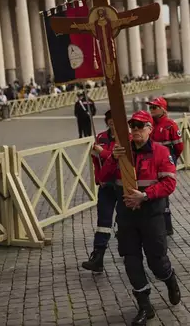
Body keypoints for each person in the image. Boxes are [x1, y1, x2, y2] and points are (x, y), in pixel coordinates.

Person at [99, 110, 181, 325]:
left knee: (157, 262)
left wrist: (145, 196)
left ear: (149, 129)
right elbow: (101, 178)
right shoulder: (120, 151)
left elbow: (169, 184)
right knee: (131, 260)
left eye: (140, 125)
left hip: (151, 215)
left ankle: (169, 279)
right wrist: (111, 158)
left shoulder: (161, 152)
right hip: (127, 216)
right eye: (132, 125)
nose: (135, 129)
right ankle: (145, 306)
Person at [82, 110, 119, 273]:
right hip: (106, 186)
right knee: (103, 223)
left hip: (123, 186)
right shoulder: (101, 137)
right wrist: (99, 178)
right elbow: (96, 161)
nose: (112, 123)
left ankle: (133, 254)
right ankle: (98, 257)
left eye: (115, 120)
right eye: (110, 120)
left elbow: (119, 158)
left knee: (126, 222)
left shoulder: (128, 138)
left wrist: (102, 152)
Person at [146, 97, 183, 236]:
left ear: (163, 109)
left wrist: (172, 161)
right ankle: (158, 224)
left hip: (166, 163)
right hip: (151, 163)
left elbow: (179, 147)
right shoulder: (148, 125)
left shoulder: (170, 125)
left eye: (155, 107)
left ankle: (166, 225)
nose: (152, 110)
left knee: (164, 193)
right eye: (151, 108)